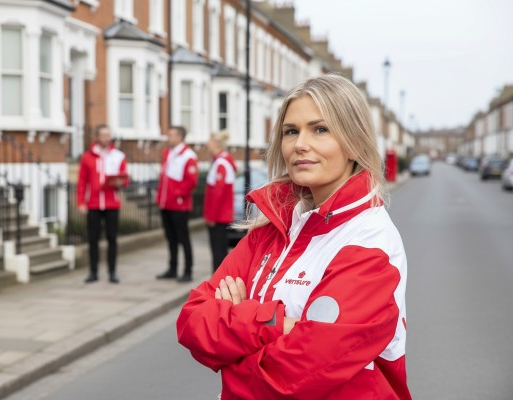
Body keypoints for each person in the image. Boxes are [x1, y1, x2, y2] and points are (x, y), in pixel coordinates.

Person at [176, 75, 412, 399]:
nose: (300, 144)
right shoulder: (272, 228)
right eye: (291, 131)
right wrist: (275, 323)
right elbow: (192, 320)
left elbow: (291, 378)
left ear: (354, 142)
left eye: (320, 129)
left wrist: (235, 329)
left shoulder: (371, 243)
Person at [77, 125, 129, 284]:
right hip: (93, 203)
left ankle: (112, 272)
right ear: (97, 137)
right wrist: (81, 202)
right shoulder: (87, 157)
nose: (107, 138)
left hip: (112, 202)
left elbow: (125, 178)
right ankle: (93, 272)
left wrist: (120, 182)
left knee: (112, 238)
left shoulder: (118, 156)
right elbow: (82, 181)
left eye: (109, 135)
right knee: (93, 239)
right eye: (104, 135)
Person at [155, 126, 198, 282]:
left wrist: (176, 195)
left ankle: (188, 270)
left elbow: (191, 181)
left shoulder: (188, 155)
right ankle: (172, 268)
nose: (169, 138)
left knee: (183, 238)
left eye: (172, 135)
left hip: (179, 205)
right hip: (166, 204)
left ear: (180, 137)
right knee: (171, 238)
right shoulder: (168, 153)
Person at [203, 131, 237, 272]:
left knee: (218, 250)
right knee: (220, 249)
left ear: (216, 144)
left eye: (210, 143)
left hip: (218, 216)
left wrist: (211, 217)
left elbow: (218, 193)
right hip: (221, 215)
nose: (207, 146)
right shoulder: (221, 162)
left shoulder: (221, 164)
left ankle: (218, 278)